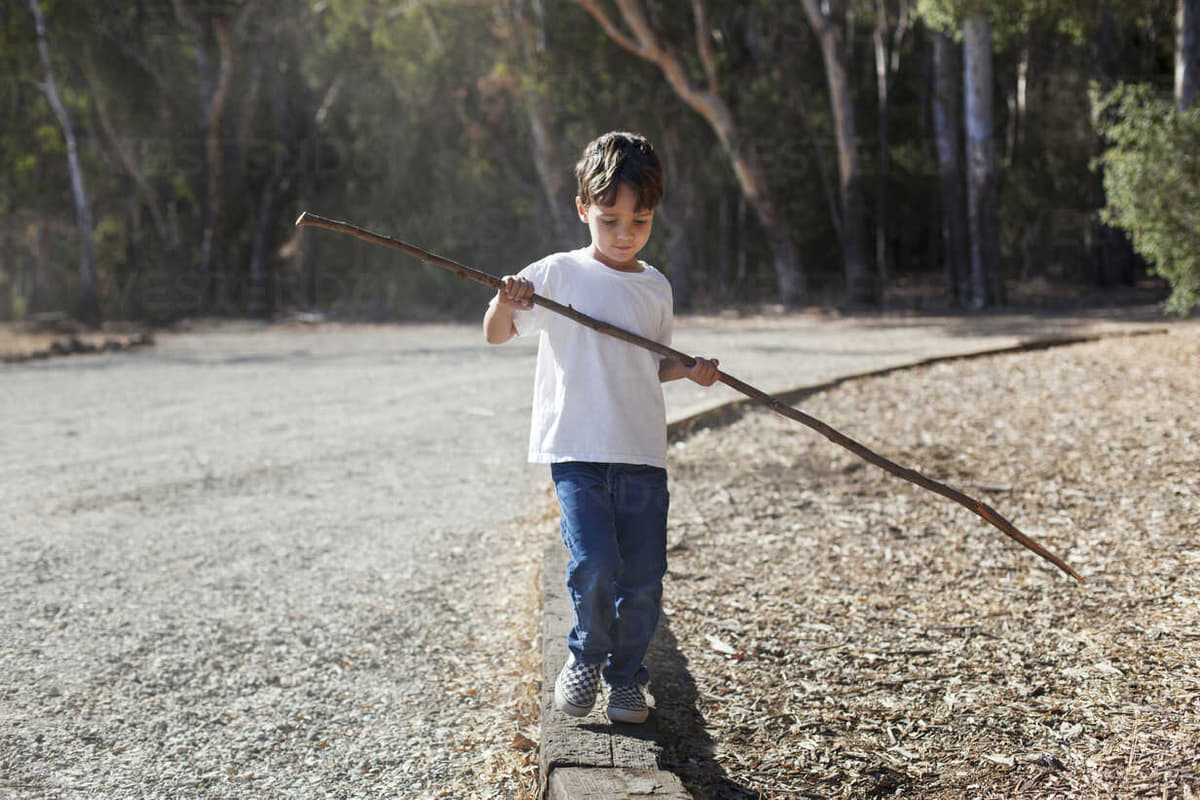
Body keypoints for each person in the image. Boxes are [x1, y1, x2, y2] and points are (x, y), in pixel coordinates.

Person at [483, 131, 720, 724]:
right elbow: (495, 333)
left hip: (641, 451)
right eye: (610, 218)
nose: (623, 233)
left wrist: (688, 371)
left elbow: (650, 364)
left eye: (639, 221)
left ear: (653, 216)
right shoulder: (557, 274)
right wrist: (506, 301)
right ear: (583, 208)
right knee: (594, 564)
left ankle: (625, 679)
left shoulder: (654, 286)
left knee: (641, 578)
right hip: (578, 450)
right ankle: (585, 657)